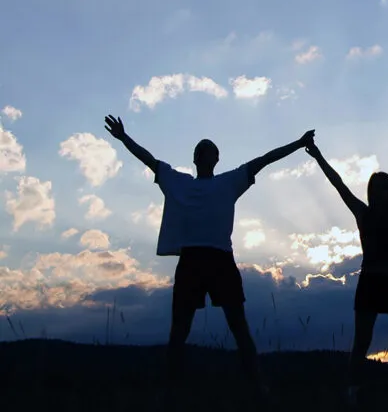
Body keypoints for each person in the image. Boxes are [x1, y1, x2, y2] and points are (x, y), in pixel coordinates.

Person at [103, 114, 315, 396]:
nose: (206, 153)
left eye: (211, 150)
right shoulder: (178, 182)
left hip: (220, 260)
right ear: (195, 157)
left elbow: (266, 159)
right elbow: (148, 159)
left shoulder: (229, 182)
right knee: (180, 329)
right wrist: (123, 138)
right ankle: (172, 387)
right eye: (202, 149)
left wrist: (299, 143)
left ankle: (256, 385)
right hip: (191, 261)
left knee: (238, 326)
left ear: (216, 158)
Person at [304, 132, 388, 408]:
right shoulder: (362, 212)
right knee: (361, 342)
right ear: (371, 192)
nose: (381, 191)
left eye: (385, 186)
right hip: (370, 282)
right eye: (376, 187)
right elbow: (338, 184)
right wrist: (317, 155)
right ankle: (353, 391)